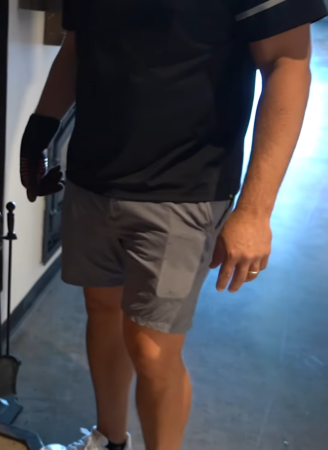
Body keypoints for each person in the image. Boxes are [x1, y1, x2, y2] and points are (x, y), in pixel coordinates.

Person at [22, 1, 327, 449]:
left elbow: (288, 61)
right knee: (102, 314)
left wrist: (256, 210)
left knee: (151, 349)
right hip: (93, 174)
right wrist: (38, 131)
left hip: (185, 185)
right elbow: (78, 44)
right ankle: (110, 439)